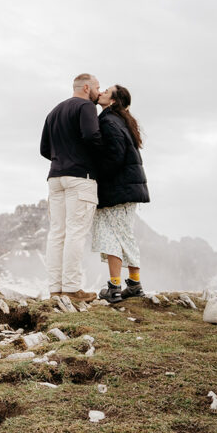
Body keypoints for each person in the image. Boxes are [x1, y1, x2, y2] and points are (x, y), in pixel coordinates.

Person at [40, 73, 102, 301]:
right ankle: (72, 288)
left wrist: (62, 157)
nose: (99, 91)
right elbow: (91, 136)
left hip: (55, 177)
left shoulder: (54, 111)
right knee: (76, 233)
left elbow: (44, 149)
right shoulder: (86, 107)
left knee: (57, 233)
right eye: (97, 87)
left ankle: (55, 289)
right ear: (86, 87)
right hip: (80, 176)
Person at [92, 84, 150, 303]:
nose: (101, 93)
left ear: (114, 101)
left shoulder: (108, 121)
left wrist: (96, 174)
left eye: (106, 92)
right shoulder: (122, 120)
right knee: (119, 235)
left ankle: (121, 286)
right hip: (127, 188)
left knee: (116, 236)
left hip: (118, 189)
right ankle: (128, 285)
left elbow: (115, 155)